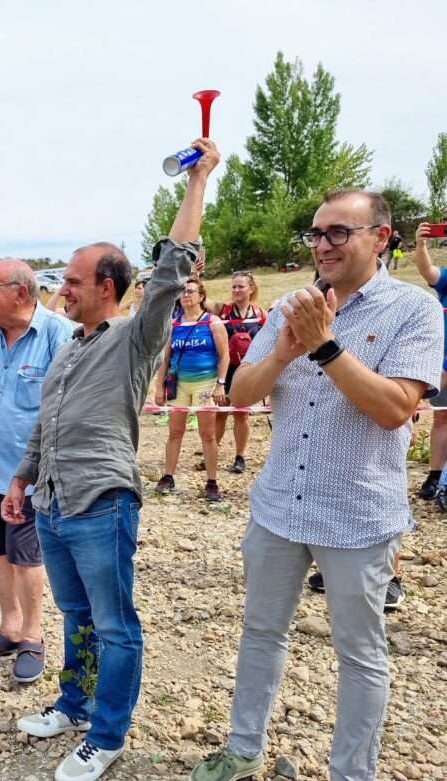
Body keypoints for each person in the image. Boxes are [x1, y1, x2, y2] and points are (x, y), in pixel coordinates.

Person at [189, 190, 442, 781]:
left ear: (380, 237)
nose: (322, 245)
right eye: (315, 234)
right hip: (279, 506)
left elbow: (394, 407)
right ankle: (243, 747)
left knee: (359, 653)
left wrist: (326, 347)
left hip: (357, 514)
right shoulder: (292, 307)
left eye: (337, 233)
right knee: (260, 631)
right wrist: (281, 354)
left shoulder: (414, 310)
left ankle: (351, 773)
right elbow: (244, 395)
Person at [5, 139, 219, 781]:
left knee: (116, 625)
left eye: (71, 281)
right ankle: (74, 705)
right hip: (51, 503)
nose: (60, 291)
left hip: (103, 502)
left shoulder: (134, 337)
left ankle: (108, 734)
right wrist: (21, 478)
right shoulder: (69, 346)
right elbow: (46, 422)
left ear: (106, 285)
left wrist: (197, 182)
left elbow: (173, 265)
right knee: (77, 617)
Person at [0, 259, 72, 684]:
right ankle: (9, 626)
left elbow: (65, 408)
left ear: (20, 292)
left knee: (26, 556)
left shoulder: (58, 335)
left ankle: (32, 637)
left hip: (29, 475)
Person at [153, 279, 230, 501]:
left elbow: (224, 355)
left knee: (207, 433)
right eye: (182, 292)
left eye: (190, 291)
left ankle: (212, 481)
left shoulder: (212, 322)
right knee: (175, 431)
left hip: (205, 383)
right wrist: (159, 388)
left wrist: (220, 384)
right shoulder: (173, 325)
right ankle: (168, 476)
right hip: (179, 384)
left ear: (201, 296)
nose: (185, 295)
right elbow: (165, 359)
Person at [214, 271, 266, 474]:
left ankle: (240, 456)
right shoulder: (223, 311)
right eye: (233, 286)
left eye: (240, 286)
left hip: (248, 370)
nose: (236, 290)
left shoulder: (261, 314)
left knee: (240, 415)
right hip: (227, 368)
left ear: (251, 289)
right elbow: (202, 300)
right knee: (220, 414)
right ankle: (212, 453)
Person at [412, 222, 447, 499]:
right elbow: (428, 272)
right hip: (444, 364)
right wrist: (421, 245)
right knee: (442, 418)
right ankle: (435, 476)